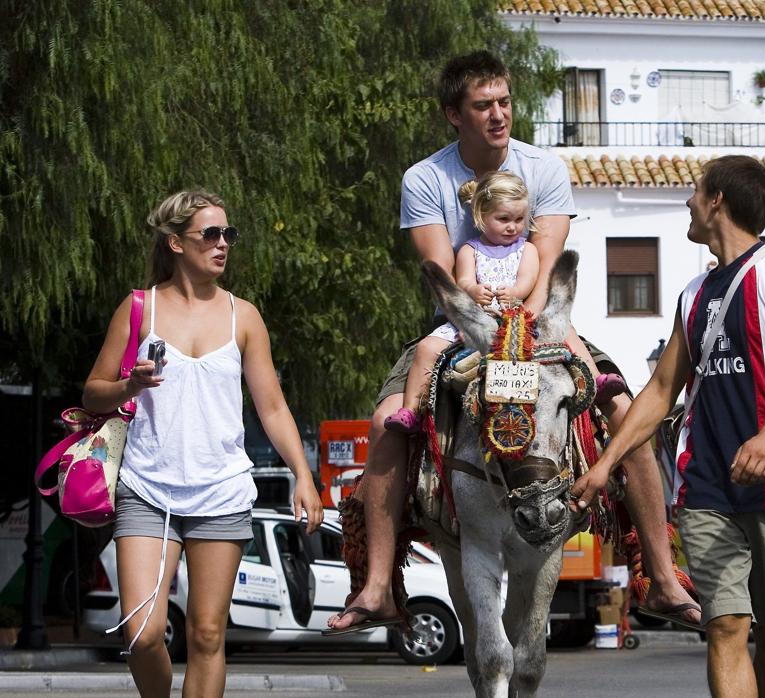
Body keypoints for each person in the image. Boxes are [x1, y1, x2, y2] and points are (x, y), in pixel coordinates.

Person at [326, 50, 699, 633]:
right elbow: (442, 273)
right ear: (454, 113)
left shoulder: (544, 168)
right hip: (462, 322)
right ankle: (377, 585)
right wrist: (482, 319)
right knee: (383, 425)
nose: (499, 114)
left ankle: (660, 574)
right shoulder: (425, 178)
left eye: (504, 101)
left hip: (539, 320)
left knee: (627, 411)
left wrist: (521, 328)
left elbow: (544, 265)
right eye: (483, 106)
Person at [570, 156, 765, 697]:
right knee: (726, 626)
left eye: (695, 191)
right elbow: (660, 392)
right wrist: (605, 463)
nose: (688, 201)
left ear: (717, 202)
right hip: (706, 487)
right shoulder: (692, 294)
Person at [83, 190, 323, 698]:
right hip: (147, 488)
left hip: (221, 492)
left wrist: (303, 474)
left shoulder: (245, 317)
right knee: (143, 634)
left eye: (227, 234)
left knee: (208, 634)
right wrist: (129, 386)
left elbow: (273, 408)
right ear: (175, 243)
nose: (222, 244)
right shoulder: (139, 308)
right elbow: (92, 391)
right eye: (209, 234)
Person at [382, 171, 625, 433]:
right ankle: (411, 409)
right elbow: (462, 281)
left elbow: (528, 279)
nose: (513, 226)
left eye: (520, 219)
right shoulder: (469, 250)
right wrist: (474, 291)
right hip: (476, 321)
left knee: (567, 332)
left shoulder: (527, 249)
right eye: (503, 219)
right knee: (426, 349)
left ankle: (595, 381)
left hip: (520, 320)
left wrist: (516, 293)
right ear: (481, 217)